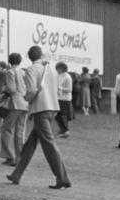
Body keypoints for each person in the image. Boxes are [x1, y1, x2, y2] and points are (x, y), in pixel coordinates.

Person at [6, 47, 71, 189]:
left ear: (29, 57)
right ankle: (16, 174)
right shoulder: (51, 68)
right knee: (30, 144)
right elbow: (58, 90)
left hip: (40, 109)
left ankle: (62, 178)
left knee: (49, 145)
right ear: (42, 55)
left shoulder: (30, 70)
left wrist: (26, 98)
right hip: (52, 108)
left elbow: (30, 91)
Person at [0, 53, 28, 165]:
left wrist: (4, 89)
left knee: (6, 128)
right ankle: (19, 157)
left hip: (15, 102)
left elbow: (11, 88)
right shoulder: (24, 72)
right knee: (19, 131)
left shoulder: (10, 72)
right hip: (25, 103)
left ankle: (10, 156)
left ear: (9, 61)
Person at [55, 62, 73, 137]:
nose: (57, 70)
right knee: (57, 115)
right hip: (59, 97)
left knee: (62, 115)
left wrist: (60, 88)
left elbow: (69, 89)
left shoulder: (67, 77)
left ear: (61, 69)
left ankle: (66, 131)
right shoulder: (60, 76)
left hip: (65, 99)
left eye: (58, 69)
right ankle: (61, 129)